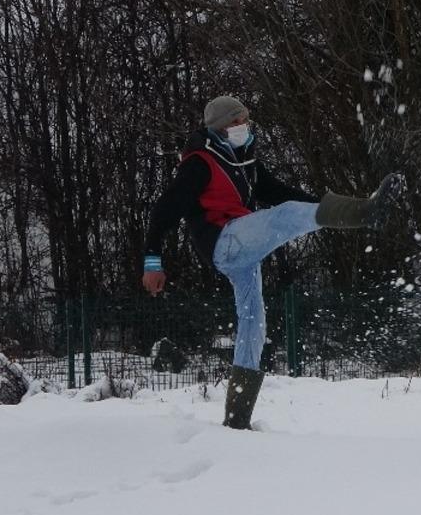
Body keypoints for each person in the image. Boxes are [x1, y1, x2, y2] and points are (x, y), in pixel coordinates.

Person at [142, 95, 404, 429]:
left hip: (242, 252)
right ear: (220, 127)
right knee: (283, 218)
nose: (244, 126)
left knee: (253, 325)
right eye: (237, 121)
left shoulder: (244, 159)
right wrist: (152, 261)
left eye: (246, 119)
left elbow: (279, 192)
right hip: (225, 240)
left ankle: (236, 420)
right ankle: (366, 213)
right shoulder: (199, 162)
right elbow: (164, 210)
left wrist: (323, 211)